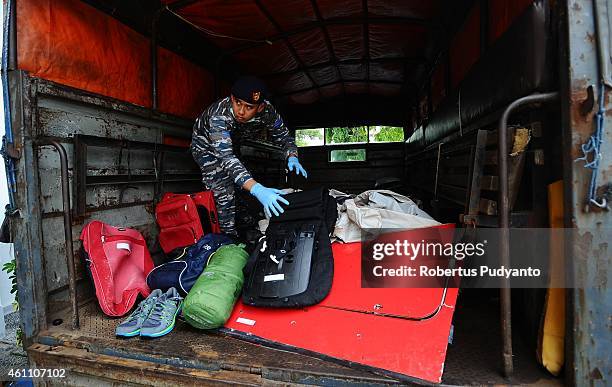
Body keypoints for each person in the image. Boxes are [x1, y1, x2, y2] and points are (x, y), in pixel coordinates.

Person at [191, 76, 308, 236]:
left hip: (233, 143)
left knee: (243, 183)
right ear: (232, 98)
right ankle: (228, 239)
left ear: (260, 108)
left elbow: (285, 138)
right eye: (238, 102)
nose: (241, 111)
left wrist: (292, 156)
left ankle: (246, 223)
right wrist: (258, 189)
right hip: (207, 148)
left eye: (249, 107)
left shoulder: (267, 112)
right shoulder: (219, 115)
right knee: (224, 189)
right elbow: (226, 159)